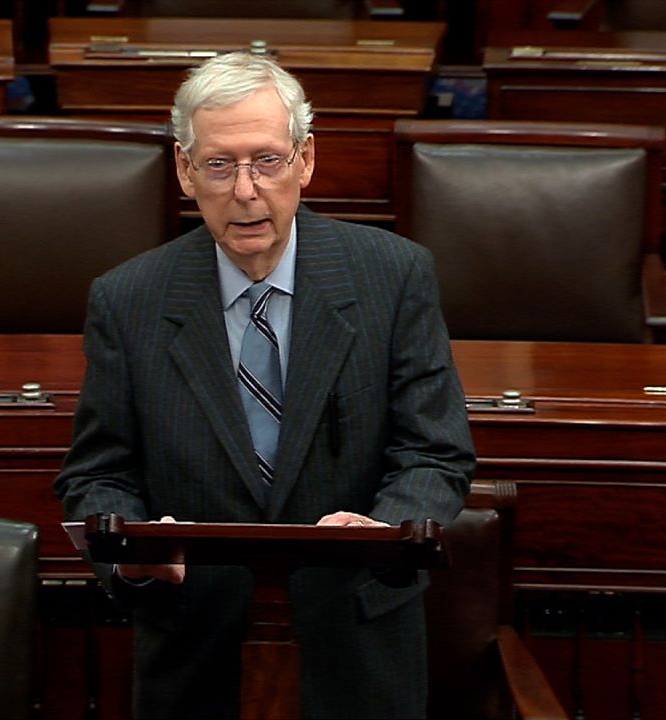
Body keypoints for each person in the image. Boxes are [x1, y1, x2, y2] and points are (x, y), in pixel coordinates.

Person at [54, 50, 476, 719]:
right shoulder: (128, 299)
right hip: (194, 644)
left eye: (268, 161)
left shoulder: (392, 278)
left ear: (305, 161)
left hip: (356, 633)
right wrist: (135, 550)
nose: (246, 190)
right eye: (219, 164)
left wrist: (381, 527)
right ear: (185, 171)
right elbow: (97, 473)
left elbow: (435, 451)